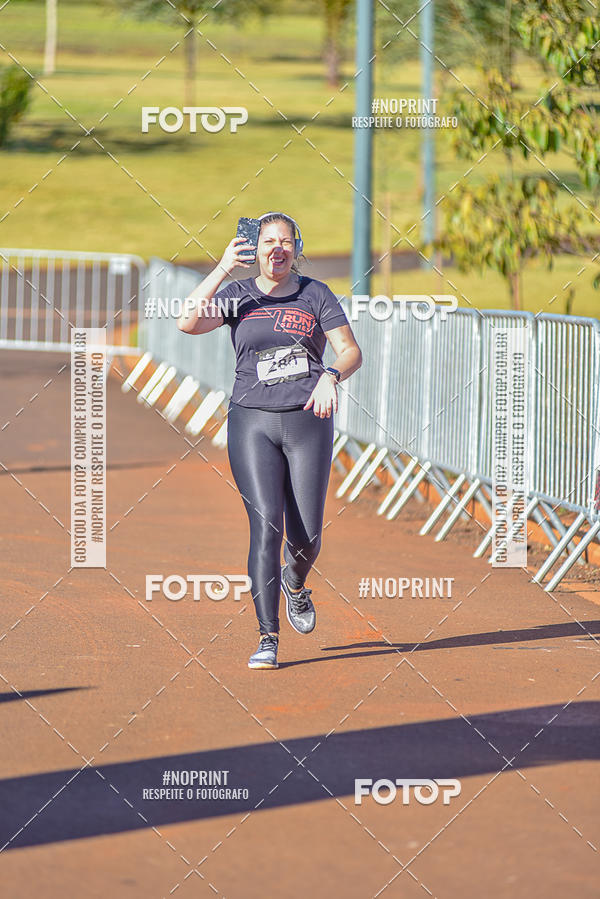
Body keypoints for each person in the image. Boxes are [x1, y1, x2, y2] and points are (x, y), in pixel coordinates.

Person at [178, 213, 362, 669]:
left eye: (285, 242)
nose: (276, 249)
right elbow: (186, 322)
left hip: (306, 423)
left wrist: (332, 376)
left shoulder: (315, 294)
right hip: (252, 423)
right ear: (254, 249)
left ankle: (295, 584)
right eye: (267, 242)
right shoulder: (237, 295)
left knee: (307, 539)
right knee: (266, 527)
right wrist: (222, 268)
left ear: (296, 247)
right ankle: (267, 638)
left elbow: (351, 349)